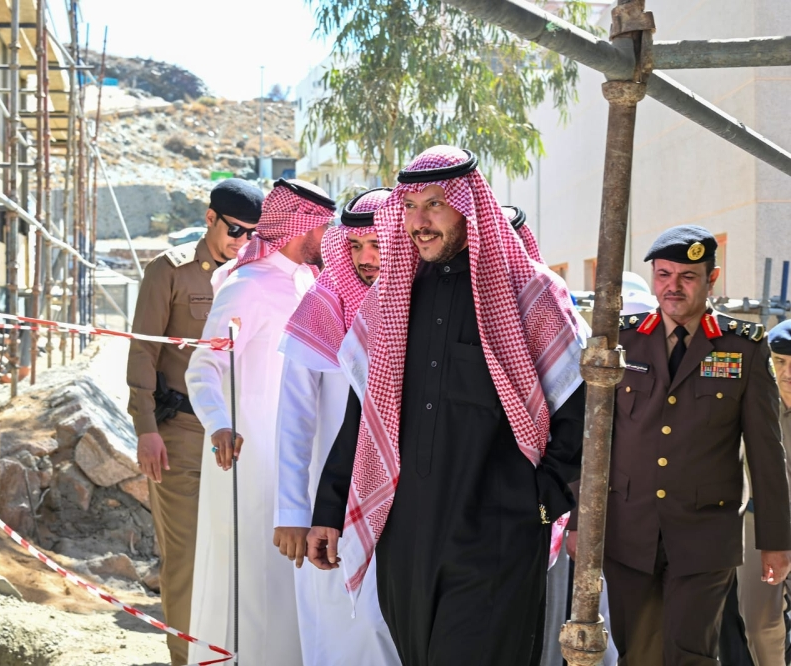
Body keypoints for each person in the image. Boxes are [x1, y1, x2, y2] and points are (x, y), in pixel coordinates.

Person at [308, 146, 588, 666]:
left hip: (496, 534)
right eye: (410, 206)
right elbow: (362, 419)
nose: (419, 221)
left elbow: (581, 410)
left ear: (470, 205)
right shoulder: (391, 298)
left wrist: (537, 499)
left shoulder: (530, 293)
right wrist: (329, 510)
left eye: (435, 204)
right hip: (407, 538)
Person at [596, 224, 791, 665]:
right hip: (629, 532)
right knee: (639, 654)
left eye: (687, 276)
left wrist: (775, 540)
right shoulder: (622, 339)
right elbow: (591, 437)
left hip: (705, 536)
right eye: (664, 275)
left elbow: (765, 452)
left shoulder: (743, 348)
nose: (673, 286)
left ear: (711, 279)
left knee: (691, 654)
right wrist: (577, 522)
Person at [185, 178, 335, 665]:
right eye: (322, 228)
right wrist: (219, 424)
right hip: (247, 458)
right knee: (250, 578)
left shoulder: (307, 282)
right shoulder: (247, 286)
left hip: (296, 458)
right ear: (301, 227)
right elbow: (205, 367)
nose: (328, 238)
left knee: (290, 584)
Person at [125, 178, 263, 666]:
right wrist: (145, 428)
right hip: (181, 435)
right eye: (234, 229)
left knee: (236, 556)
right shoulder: (171, 270)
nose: (241, 240)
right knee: (185, 559)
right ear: (211, 218)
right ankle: (185, 658)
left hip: (240, 440)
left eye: (251, 232)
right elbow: (144, 349)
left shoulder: (257, 274)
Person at [274, 186, 400, 666]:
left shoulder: (417, 306)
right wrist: (291, 510)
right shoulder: (321, 308)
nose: (367, 258)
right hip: (329, 506)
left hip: (404, 497)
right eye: (355, 246)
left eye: (378, 245)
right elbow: (295, 419)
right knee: (336, 622)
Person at [730, 319, 791, 666]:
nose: (787, 373)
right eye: (779, 362)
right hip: (758, 523)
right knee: (758, 623)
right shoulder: (749, 402)